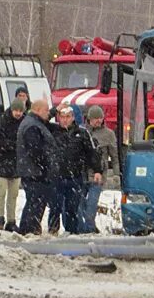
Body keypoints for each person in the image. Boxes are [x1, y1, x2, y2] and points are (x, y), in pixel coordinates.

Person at [47, 106, 102, 235]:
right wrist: (55, 110)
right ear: (58, 118)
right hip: (56, 176)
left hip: (75, 176)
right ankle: (53, 231)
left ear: (72, 117)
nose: (65, 120)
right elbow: (41, 121)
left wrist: (97, 170)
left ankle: (71, 233)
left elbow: (92, 153)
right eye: (62, 117)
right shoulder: (52, 130)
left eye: (68, 117)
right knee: (55, 207)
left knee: (72, 208)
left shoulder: (82, 133)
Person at [16, 99, 56, 235]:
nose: (48, 113)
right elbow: (35, 150)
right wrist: (46, 165)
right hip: (35, 172)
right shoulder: (32, 126)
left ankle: (29, 228)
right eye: (46, 110)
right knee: (35, 203)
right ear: (38, 110)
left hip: (33, 171)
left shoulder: (34, 122)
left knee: (34, 202)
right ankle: (29, 230)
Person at [83, 105, 119, 233]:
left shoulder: (109, 134)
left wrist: (116, 174)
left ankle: (89, 230)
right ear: (89, 119)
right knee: (79, 206)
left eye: (100, 118)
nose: (98, 121)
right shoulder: (83, 131)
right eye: (95, 118)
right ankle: (89, 229)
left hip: (98, 176)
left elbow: (114, 156)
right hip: (82, 174)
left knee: (91, 207)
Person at [0, 98, 25, 232]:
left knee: (13, 194)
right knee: (1, 193)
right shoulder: (1, 123)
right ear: (11, 110)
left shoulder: (23, 122)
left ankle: (11, 220)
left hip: (16, 165)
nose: (18, 113)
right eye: (16, 110)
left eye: (20, 111)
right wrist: (17, 146)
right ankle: (0, 218)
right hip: (2, 164)